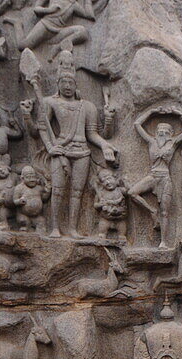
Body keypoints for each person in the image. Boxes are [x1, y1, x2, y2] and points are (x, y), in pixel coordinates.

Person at [42, 70, 117, 237]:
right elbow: (42, 128)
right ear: (58, 84)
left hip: (82, 151)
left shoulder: (87, 106)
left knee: (77, 192)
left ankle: (73, 228)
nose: (67, 86)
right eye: (64, 82)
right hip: (60, 150)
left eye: (71, 83)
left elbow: (92, 134)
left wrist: (105, 145)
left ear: (76, 85)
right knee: (58, 190)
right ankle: (55, 227)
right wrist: (50, 147)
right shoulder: (50, 102)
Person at [129, 108, 182, 247]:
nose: (162, 132)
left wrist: (179, 114)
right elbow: (137, 124)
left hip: (165, 178)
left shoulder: (173, 143)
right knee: (132, 193)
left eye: (165, 131)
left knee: (165, 211)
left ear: (170, 133)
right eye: (159, 130)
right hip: (153, 175)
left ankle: (163, 241)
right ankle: (152, 211)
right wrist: (151, 113)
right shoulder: (151, 141)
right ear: (156, 132)